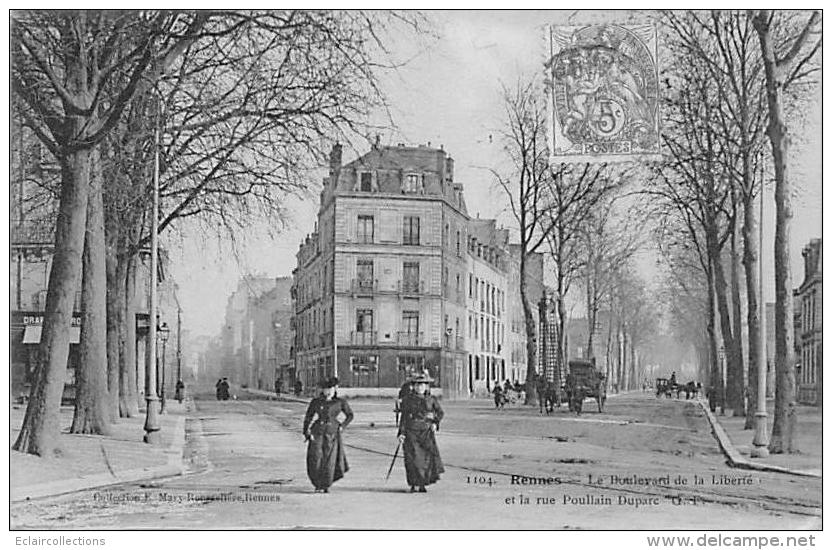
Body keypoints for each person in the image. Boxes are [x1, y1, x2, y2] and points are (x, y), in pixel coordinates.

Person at [302, 377, 353, 493]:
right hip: (317, 433)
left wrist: (342, 426)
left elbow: (350, 415)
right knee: (315, 458)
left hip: (332, 434)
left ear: (335, 389)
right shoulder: (316, 402)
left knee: (329, 460)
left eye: (331, 388)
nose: (328, 391)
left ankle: (326, 484)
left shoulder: (340, 402)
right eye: (325, 389)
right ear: (322, 390)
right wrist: (306, 431)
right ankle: (317, 483)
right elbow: (308, 417)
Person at [397, 373, 444, 493]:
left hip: (426, 432)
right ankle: (414, 484)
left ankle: (422, 484)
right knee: (413, 459)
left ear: (426, 387)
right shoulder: (408, 400)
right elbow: (404, 417)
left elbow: (440, 413)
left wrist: (435, 423)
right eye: (417, 385)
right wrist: (401, 433)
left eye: (422, 385)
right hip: (411, 432)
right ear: (413, 386)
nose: (419, 388)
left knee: (426, 459)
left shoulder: (431, 400)